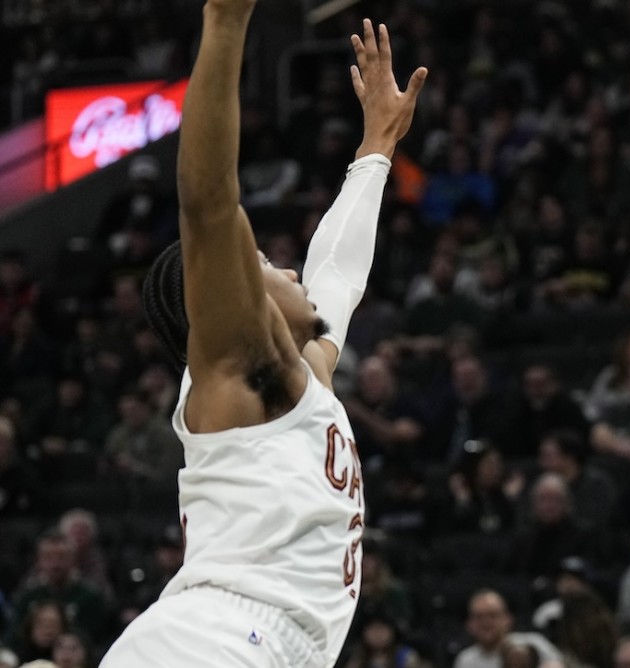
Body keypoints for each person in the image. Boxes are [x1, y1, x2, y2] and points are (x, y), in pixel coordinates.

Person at [99, 4, 426, 666]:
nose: (285, 266)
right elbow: (209, 203)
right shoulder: (239, 369)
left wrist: (376, 152)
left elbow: (337, 275)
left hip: (257, 644)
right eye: (263, 266)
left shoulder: (295, 382)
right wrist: (225, 22)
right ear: (233, 306)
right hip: (214, 641)